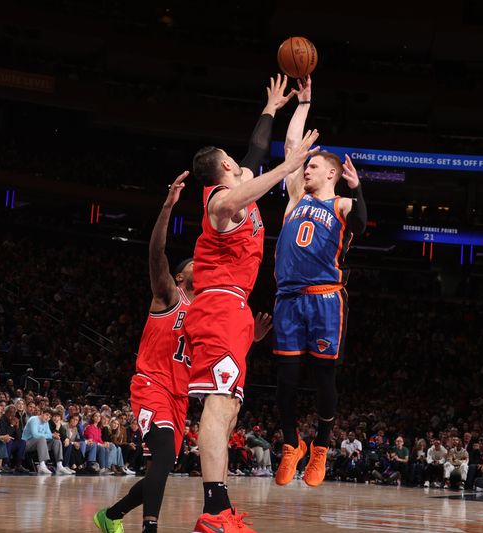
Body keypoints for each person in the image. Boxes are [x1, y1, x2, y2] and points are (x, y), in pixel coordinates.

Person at [184, 74, 318, 533]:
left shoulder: (237, 182)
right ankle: (214, 510)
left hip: (234, 312)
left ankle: (218, 507)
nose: (246, 163)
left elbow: (258, 152)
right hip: (218, 307)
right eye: (236, 162)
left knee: (232, 407)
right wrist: (291, 165)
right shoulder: (221, 202)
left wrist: (275, 108)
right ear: (224, 165)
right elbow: (259, 174)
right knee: (218, 408)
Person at [273, 76, 368, 489]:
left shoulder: (342, 202)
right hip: (288, 299)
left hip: (326, 299)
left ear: (330, 172)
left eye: (313, 166)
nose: (305, 168)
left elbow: (362, 224)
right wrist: (305, 102)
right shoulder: (296, 197)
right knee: (286, 380)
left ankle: (322, 447)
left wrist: (358, 188)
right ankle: (291, 444)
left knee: (323, 379)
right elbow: (292, 147)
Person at [94, 171, 195, 533]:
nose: (200, 264)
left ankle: (111, 516)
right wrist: (167, 207)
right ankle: (149, 529)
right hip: (152, 384)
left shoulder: (205, 312)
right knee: (165, 458)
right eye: (192, 264)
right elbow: (157, 252)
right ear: (180, 277)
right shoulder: (169, 295)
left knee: (161, 468)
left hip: (180, 397)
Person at [22, 408, 73, 475]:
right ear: (42, 412)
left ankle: (59, 465)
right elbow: (35, 435)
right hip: (26, 444)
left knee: (56, 441)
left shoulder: (45, 422)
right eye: (46, 415)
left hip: (39, 443)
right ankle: (42, 465)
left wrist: (52, 436)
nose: (47, 418)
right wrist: (51, 435)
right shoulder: (33, 419)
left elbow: (49, 434)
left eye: (49, 417)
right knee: (41, 438)